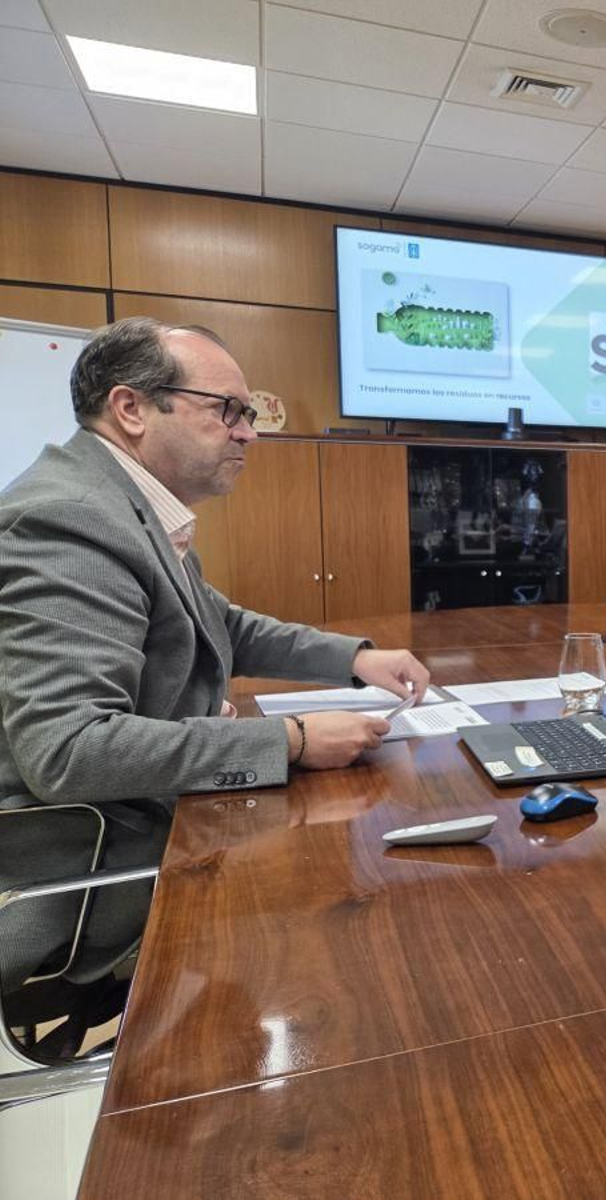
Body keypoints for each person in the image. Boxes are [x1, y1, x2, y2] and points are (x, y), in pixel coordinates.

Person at [0, 317, 430, 1005]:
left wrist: (356, 658)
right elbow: (68, 749)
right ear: (131, 408)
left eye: (248, 413)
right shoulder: (70, 520)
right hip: (92, 873)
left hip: (147, 821)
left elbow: (218, 624)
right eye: (227, 409)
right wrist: (288, 741)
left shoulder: (131, 507)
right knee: (351, 934)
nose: (248, 431)